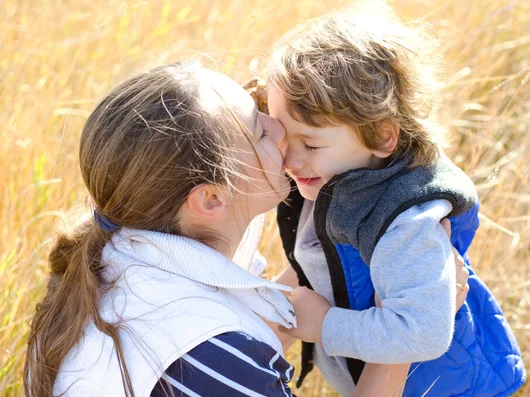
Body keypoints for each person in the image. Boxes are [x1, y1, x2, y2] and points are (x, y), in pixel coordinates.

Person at [23, 60, 469, 397]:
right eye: (257, 130)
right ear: (211, 199)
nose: (279, 127)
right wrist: (408, 335)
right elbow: (231, 362)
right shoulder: (210, 355)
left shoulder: (114, 261)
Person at [266, 4, 526, 397]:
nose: (291, 159)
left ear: (384, 135)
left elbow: (422, 333)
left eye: (312, 143)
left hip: (442, 388)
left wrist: (323, 326)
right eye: (284, 137)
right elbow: (314, 260)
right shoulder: (332, 178)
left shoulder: (407, 223)